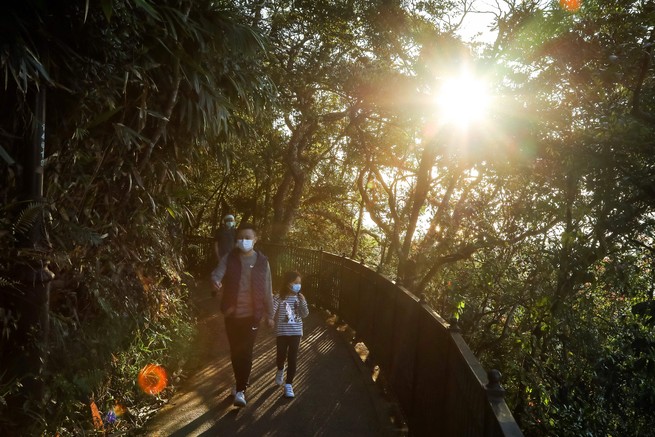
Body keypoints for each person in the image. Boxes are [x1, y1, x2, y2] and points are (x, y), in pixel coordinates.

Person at [211, 222, 274, 407]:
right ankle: (239, 383)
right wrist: (215, 282)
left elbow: (268, 288)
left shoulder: (262, 262)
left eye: (248, 237)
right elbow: (217, 274)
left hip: (252, 316)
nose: (244, 241)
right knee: (235, 352)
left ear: (255, 239)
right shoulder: (229, 258)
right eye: (240, 237)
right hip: (232, 314)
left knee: (245, 352)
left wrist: (270, 314)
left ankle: (241, 390)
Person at [272, 270, 309, 398]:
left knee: (292, 358)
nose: (298, 285)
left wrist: (303, 302)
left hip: (296, 332)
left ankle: (289, 385)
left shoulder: (300, 298)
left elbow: (305, 314)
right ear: (288, 283)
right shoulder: (279, 297)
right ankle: (280, 369)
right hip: (282, 332)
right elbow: (272, 310)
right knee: (281, 355)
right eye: (295, 283)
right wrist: (270, 318)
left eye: (299, 283)